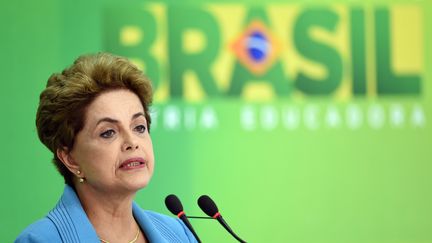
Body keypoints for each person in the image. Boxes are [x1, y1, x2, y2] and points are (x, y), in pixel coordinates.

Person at [15, 53, 197, 243]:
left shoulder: (178, 233)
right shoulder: (39, 240)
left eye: (139, 127)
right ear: (70, 158)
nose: (132, 142)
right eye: (108, 132)